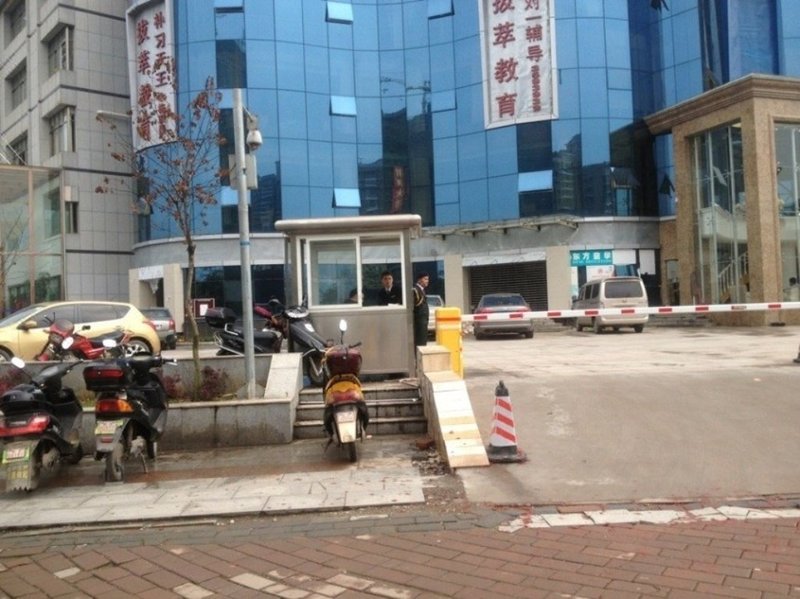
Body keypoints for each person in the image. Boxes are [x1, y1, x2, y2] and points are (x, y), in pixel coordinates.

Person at [412, 272, 430, 346]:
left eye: (427, 279)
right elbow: (413, 306)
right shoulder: (415, 290)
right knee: (420, 342)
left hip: (423, 321)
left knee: (423, 341)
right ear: (419, 280)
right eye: (425, 279)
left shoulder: (421, 290)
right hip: (419, 321)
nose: (427, 281)